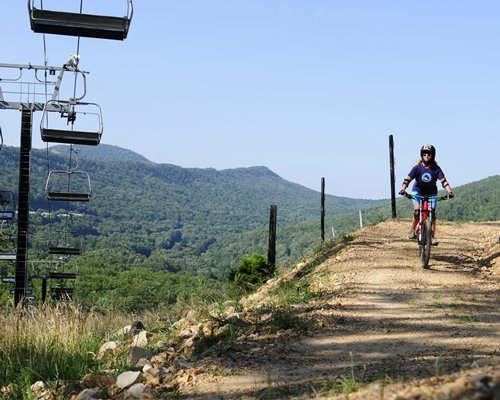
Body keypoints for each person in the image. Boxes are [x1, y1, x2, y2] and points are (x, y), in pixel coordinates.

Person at [399, 144, 454, 245]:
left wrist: (449, 192)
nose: (426, 157)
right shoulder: (417, 168)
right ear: (421, 155)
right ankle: (412, 230)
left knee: (432, 213)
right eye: (424, 155)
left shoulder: (436, 169)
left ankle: (432, 236)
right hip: (418, 191)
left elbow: (444, 181)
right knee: (417, 211)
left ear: (432, 156)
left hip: (432, 193)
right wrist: (403, 189)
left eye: (429, 155)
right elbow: (407, 180)